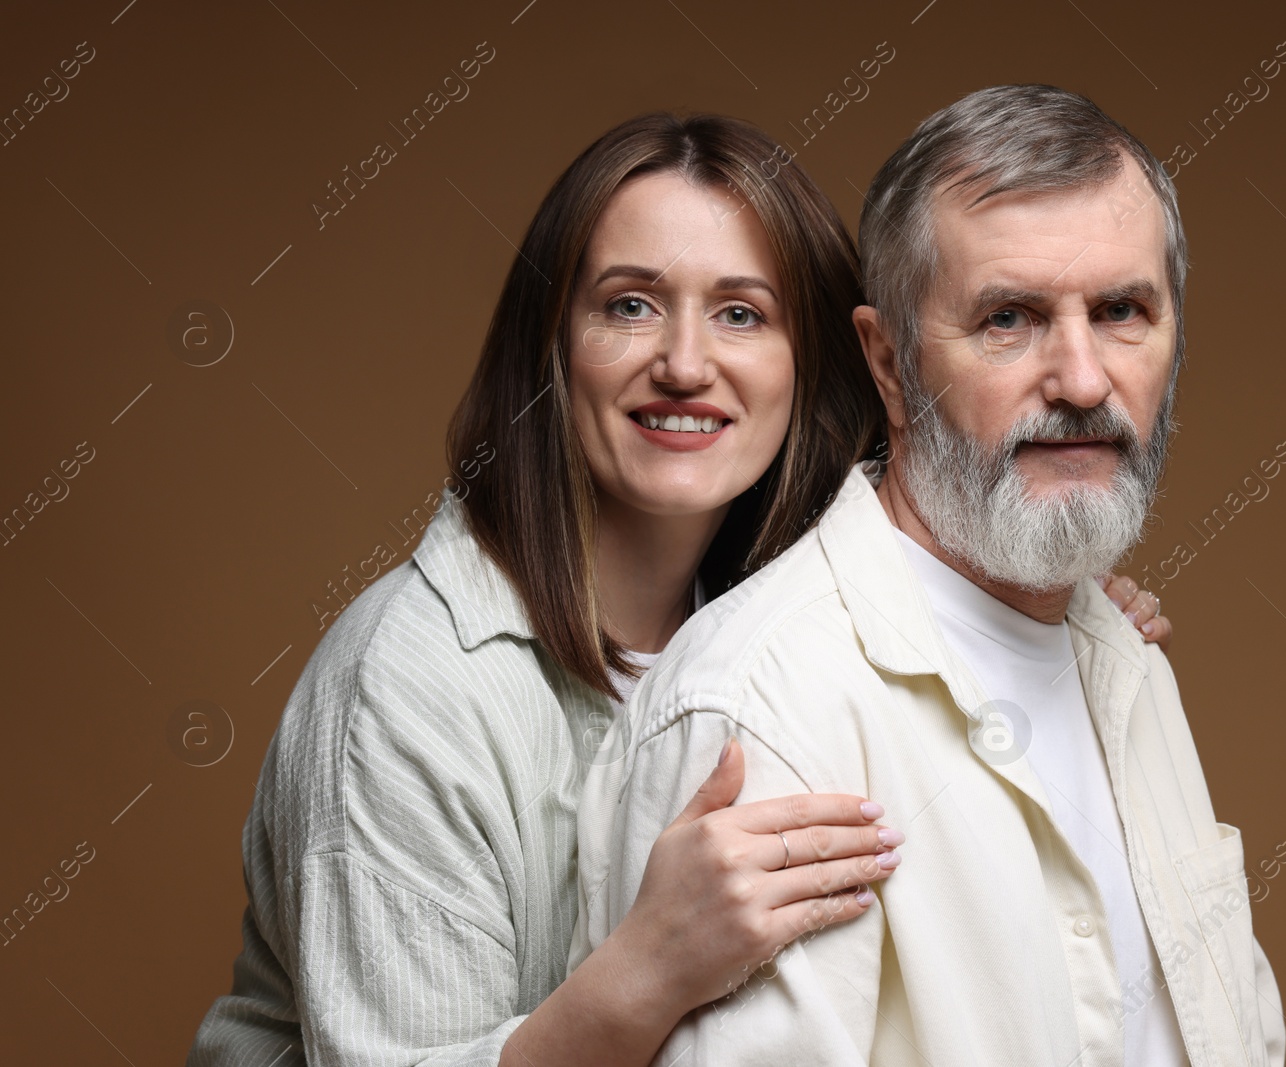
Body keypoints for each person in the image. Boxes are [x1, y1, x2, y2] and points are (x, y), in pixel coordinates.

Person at [187, 111, 1171, 1067]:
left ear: (821, 363)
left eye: (741, 313)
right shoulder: (410, 685)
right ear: (551, 343)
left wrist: (1045, 609)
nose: (685, 364)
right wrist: (646, 969)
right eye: (628, 305)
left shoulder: (777, 626)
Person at [574, 85, 1285, 1066]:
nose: (1081, 379)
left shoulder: (1128, 660)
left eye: (1121, 310)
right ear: (890, 362)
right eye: (1008, 318)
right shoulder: (770, 706)